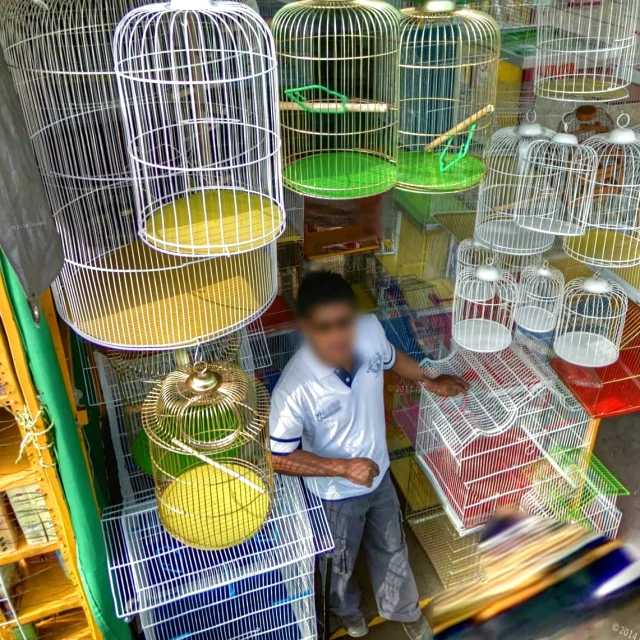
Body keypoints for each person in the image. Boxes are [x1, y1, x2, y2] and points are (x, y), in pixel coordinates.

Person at [269, 271, 468, 639]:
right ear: (308, 329)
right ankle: (347, 611)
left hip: (380, 477)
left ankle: (406, 612)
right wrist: (341, 468)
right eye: (324, 327)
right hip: (335, 496)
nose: (338, 335)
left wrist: (429, 380)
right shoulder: (295, 386)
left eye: (344, 322)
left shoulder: (371, 330)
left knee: (393, 547)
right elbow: (277, 457)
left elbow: (393, 360)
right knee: (340, 564)